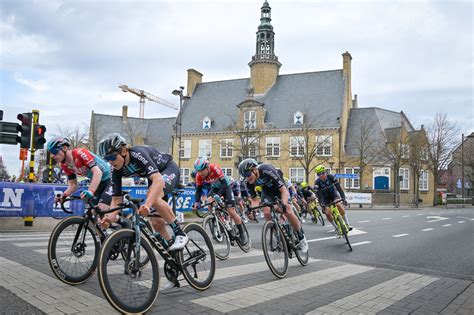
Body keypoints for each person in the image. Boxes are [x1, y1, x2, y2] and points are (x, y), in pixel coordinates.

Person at [97, 133, 188, 251]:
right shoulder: (115, 170)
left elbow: (158, 180)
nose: (110, 162)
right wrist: (110, 218)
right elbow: (116, 199)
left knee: (153, 197)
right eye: (107, 159)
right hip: (155, 177)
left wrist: (147, 205)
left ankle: (180, 233)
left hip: (167, 169)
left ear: (123, 151)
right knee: (157, 223)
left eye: (112, 157)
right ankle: (173, 253)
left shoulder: (137, 154)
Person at [239, 158, 308, 253]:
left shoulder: (266, 170)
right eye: (244, 176)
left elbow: (284, 190)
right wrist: (251, 209)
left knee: (287, 209)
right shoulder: (249, 182)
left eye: (248, 174)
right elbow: (254, 200)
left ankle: (301, 236)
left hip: (279, 188)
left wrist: (283, 203)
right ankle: (279, 236)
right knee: (266, 212)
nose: (247, 178)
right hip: (267, 191)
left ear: (255, 170)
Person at [192, 157, 248, 245]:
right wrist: (196, 203)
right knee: (209, 203)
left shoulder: (215, 168)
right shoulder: (198, 176)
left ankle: (242, 233)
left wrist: (219, 195)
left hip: (226, 187)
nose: (200, 173)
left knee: (231, 212)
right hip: (215, 187)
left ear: (207, 167)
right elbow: (198, 191)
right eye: (198, 171)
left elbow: (224, 184)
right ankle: (217, 219)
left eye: (202, 170)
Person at [46, 137, 112, 208]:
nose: (52, 156)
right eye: (51, 153)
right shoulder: (64, 165)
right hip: (99, 183)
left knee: (102, 208)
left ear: (64, 148)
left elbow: (98, 172)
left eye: (54, 152)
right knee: (92, 211)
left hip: (110, 179)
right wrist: (64, 195)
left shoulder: (80, 153)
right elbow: (73, 185)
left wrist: (91, 191)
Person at [313, 165, 353, 233]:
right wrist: (323, 206)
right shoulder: (317, 182)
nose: (321, 175)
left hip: (333, 195)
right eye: (319, 174)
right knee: (328, 213)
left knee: (338, 204)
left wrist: (343, 199)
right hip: (325, 198)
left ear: (326, 172)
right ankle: (336, 228)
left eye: (322, 173)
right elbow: (319, 196)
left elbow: (339, 189)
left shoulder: (331, 177)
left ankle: (347, 223)